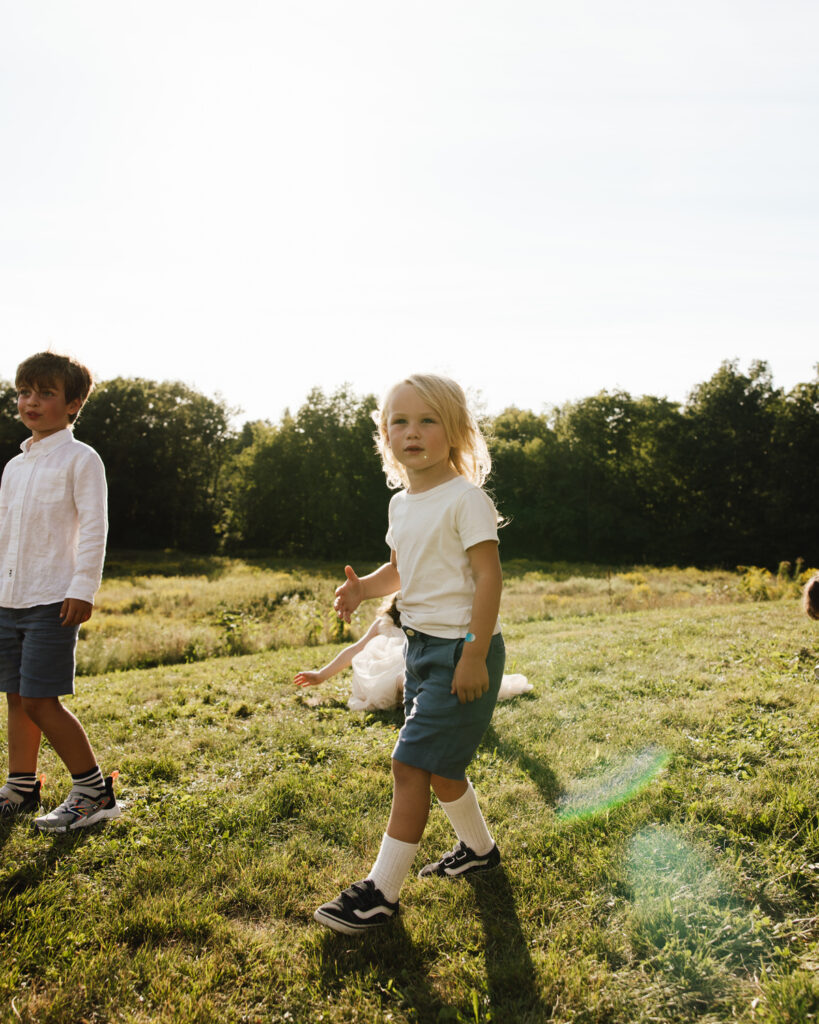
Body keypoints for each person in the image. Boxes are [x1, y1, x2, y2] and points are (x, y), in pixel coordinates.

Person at [313, 373, 506, 935]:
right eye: (400, 421)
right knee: (443, 770)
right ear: (385, 436)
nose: (412, 432)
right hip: (421, 651)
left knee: (410, 764)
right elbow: (400, 569)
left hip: (463, 652)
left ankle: (380, 894)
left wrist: (471, 654)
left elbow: (488, 580)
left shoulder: (467, 500)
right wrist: (362, 589)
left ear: (455, 432)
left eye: (428, 420)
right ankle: (479, 851)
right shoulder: (402, 505)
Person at [0, 352, 120, 831]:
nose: (31, 401)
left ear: (73, 404)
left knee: (40, 700)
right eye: (25, 392)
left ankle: (94, 792)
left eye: (46, 393)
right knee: (15, 695)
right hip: (9, 598)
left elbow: (95, 527)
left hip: (53, 599)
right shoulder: (14, 465)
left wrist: (83, 587)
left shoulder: (81, 459)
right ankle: (21, 786)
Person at [294, 594, 531, 710]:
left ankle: (434, 697)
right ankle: (423, 705)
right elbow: (355, 649)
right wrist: (321, 675)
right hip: (383, 673)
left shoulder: (425, 625)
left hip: (417, 666)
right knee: (401, 673)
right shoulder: (383, 624)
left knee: (423, 671)